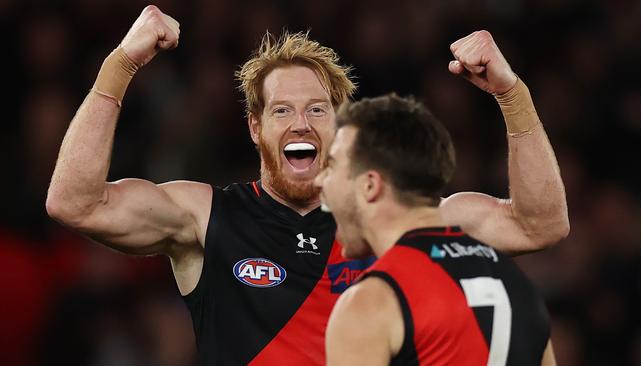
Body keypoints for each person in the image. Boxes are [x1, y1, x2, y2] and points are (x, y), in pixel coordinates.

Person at [45, 5, 568, 365]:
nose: (300, 123)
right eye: (282, 111)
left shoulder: (398, 218)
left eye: (317, 109)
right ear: (256, 127)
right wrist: (121, 63)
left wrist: (511, 94)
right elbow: (74, 201)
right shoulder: (206, 217)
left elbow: (538, 224)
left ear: (340, 126)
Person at [316, 94, 557, 366]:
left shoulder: (373, 302)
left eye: (333, 165)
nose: (320, 180)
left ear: (370, 186)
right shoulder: (518, 286)